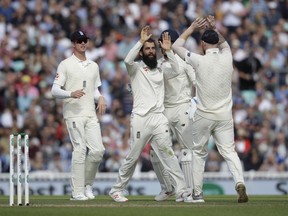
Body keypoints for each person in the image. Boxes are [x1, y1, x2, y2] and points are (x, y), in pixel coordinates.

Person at [109, 26, 192, 203]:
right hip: (141, 119)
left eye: (153, 48)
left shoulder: (161, 68)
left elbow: (177, 70)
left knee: (168, 154)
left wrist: (169, 51)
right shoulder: (136, 69)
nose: (151, 51)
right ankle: (116, 190)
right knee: (133, 155)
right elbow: (127, 59)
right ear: (141, 53)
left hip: (159, 118)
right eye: (147, 49)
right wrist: (140, 41)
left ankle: (181, 190)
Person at [172, 15, 249, 203]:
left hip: (204, 115)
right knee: (230, 152)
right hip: (224, 116)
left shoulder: (198, 60)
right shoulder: (228, 56)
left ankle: (197, 193)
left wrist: (191, 28)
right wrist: (215, 28)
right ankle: (239, 181)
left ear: (203, 45)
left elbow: (175, 47)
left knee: (198, 153)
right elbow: (224, 44)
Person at [51, 30, 106, 201]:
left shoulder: (94, 66)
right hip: (73, 113)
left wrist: (101, 97)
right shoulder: (65, 64)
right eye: (79, 41)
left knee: (98, 150)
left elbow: (94, 89)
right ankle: (77, 192)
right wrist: (70, 94)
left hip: (90, 112)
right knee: (80, 149)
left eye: (85, 40)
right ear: (73, 44)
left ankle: (87, 185)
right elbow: (54, 90)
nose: (83, 43)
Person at [150, 29, 196, 201]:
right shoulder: (159, 64)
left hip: (183, 107)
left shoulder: (184, 62)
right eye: (162, 42)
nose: (163, 45)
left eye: (167, 42)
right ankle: (168, 187)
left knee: (186, 151)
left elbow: (193, 81)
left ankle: (189, 191)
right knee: (155, 152)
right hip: (164, 110)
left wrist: (196, 104)